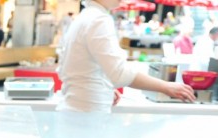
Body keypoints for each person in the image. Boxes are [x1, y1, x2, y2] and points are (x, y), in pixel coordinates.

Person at [57, 0, 196, 113]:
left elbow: (69, 68)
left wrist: (104, 86)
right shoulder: (99, 20)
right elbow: (120, 74)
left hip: (76, 110)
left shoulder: (85, 16)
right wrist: (166, 86)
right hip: (87, 114)